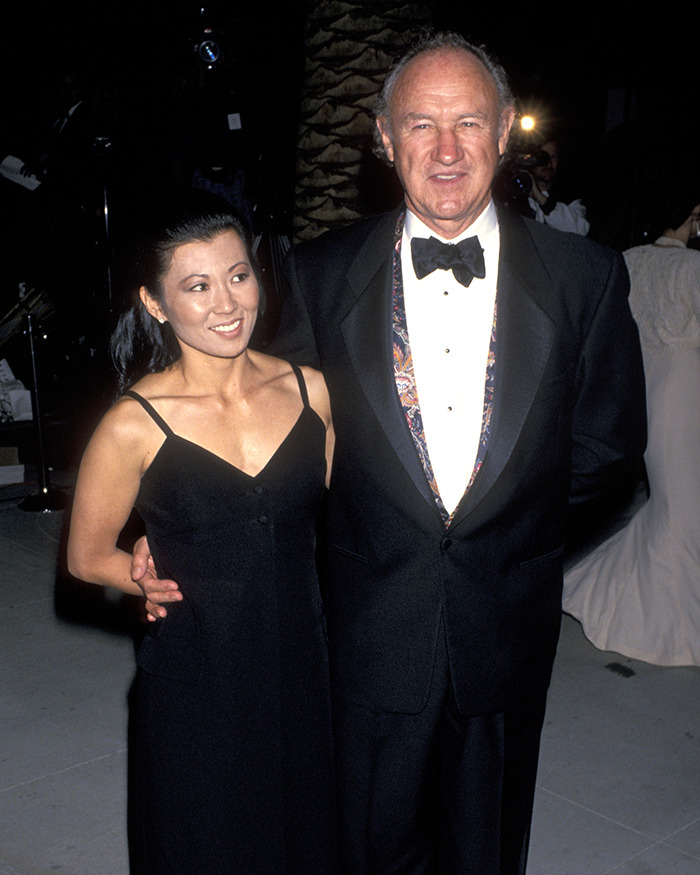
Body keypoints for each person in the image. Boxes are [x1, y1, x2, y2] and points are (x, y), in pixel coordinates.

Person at [134, 30, 646, 873]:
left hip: (504, 633)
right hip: (366, 634)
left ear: (505, 127)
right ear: (382, 137)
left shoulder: (585, 276)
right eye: (419, 125)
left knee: (488, 848)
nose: (445, 150)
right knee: (367, 849)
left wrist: (513, 544)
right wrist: (190, 526)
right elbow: (270, 430)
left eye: (468, 123)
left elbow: (609, 450)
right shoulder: (319, 272)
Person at [66, 194, 338, 873]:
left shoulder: (312, 392)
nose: (227, 304)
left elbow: (331, 524)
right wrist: (135, 566)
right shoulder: (133, 423)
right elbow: (83, 555)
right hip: (199, 678)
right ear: (155, 302)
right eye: (197, 285)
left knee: (306, 843)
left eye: (239, 275)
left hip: (306, 670)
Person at [563, 201, 700, 666]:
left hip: (643, 387)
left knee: (670, 503)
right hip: (683, 395)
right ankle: (663, 625)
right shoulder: (693, 267)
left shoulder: (631, 257)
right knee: (681, 510)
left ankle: (604, 591)